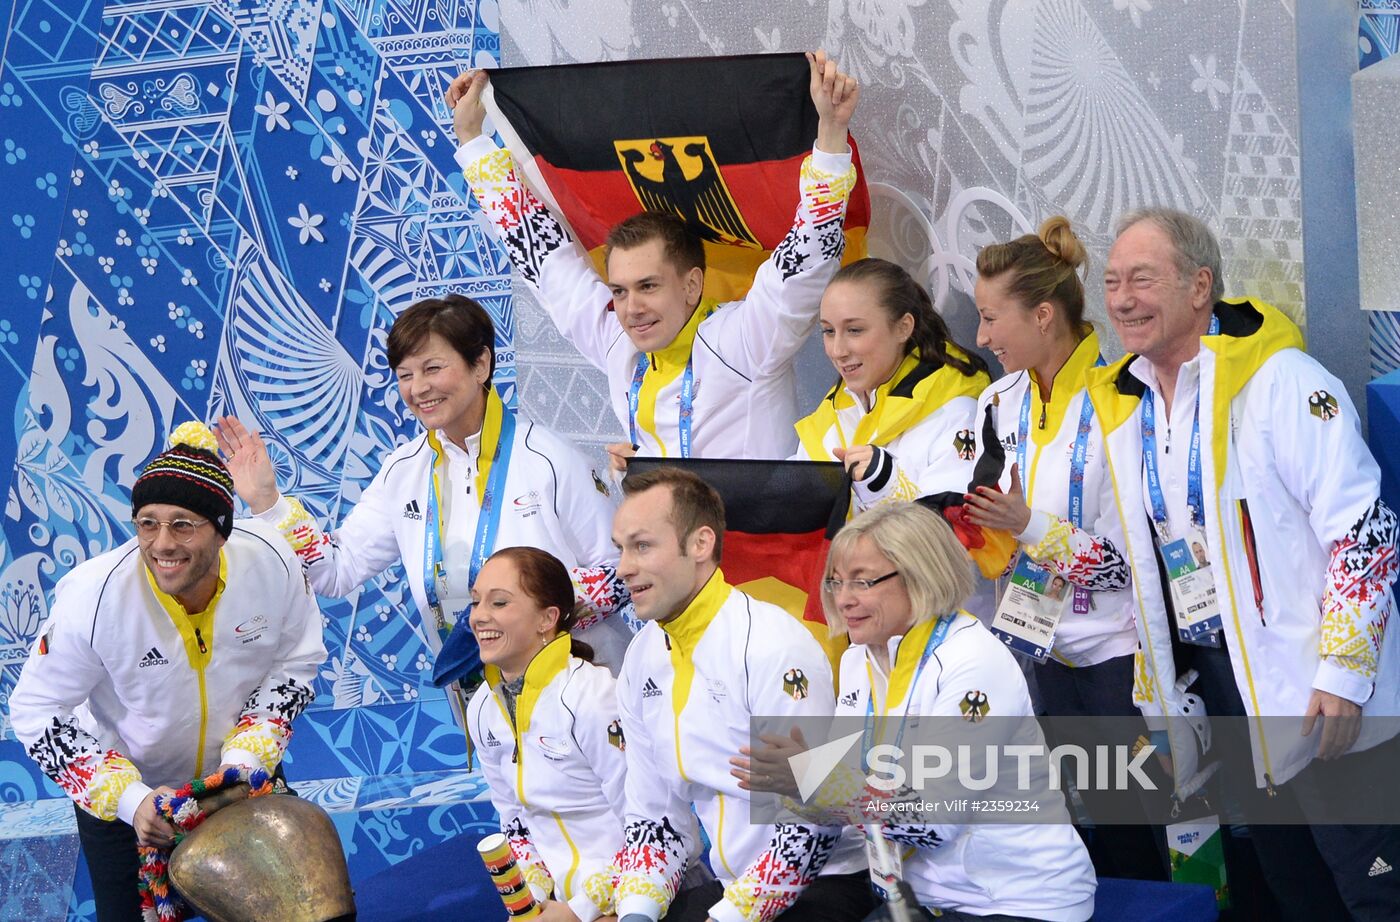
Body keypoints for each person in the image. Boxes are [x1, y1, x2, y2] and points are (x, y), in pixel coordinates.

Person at [1088, 207, 1400, 917]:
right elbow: (1151, 573)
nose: (1122, 299)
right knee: (1294, 891)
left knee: (1374, 894)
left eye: (1142, 278)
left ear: (1200, 287)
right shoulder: (1127, 406)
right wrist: (1160, 700)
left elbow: (1366, 531)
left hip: (1317, 696)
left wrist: (1345, 676)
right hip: (1229, 694)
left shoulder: (1282, 379)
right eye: (1111, 281)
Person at [445, 52, 860, 467]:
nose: (631, 308)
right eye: (620, 291)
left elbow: (809, 250)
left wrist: (830, 129)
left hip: (754, 532)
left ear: (691, 285)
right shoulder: (619, 345)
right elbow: (542, 253)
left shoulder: (743, 339)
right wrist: (472, 139)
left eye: (648, 286)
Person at [214, 294, 629, 708]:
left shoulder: (549, 458)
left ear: (480, 364)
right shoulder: (404, 472)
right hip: (483, 701)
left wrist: (528, 614)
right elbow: (336, 571)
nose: (418, 388)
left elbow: (621, 572)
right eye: (405, 374)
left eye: (433, 368)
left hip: (585, 689)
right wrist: (269, 502)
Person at [8, 422, 326, 922]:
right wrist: (131, 801)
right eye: (147, 523)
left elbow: (296, 661)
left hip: (241, 778)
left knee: (299, 910)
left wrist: (244, 760)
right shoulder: (93, 598)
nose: (162, 544)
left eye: (182, 524)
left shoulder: (273, 562)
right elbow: (34, 711)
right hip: (129, 807)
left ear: (221, 530)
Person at [737, 502, 1097, 921]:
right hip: (918, 898)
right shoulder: (859, 660)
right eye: (836, 582)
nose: (844, 599)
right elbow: (846, 796)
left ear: (920, 576)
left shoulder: (971, 660)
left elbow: (934, 819)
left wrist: (813, 779)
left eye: (863, 582)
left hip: (1020, 902)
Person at [961, 217, 1162, 879]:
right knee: (1067, 839)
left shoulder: (1127, 396)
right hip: (1035, 647)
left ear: (1044, 314)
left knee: (1137, 835)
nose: (981, 337)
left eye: (992, 318)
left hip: (1119, 658)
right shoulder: (996, 402)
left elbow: (1130, 562)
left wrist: (1026, 526)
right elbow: (992, 535)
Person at [609, 467, 874, 922]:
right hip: (733, 891)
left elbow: (813, 825)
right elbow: (656, 819)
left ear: (700, 544)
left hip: (822, 886)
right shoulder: (641, 655)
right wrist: (635, 911)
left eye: (642, 545)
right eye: (620, 549)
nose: (623, 568)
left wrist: (730, 916)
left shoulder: (773, 645)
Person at [466, 546, 626, 922]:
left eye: (500, 602)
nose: (479, 617)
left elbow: (646, 826)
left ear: (547, 619)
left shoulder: (594, 697)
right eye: (475, 603)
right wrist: (531, 901)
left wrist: (583, 909)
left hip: (638, 901)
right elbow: (516, 824)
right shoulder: (483, 708)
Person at [791, 258, 990, 512]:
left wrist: (887, 488)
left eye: (854, 330)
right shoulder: (832, 414)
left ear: (903, 328)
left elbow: (953, 538)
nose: (837, 350)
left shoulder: (956, 413)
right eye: (828, 331)